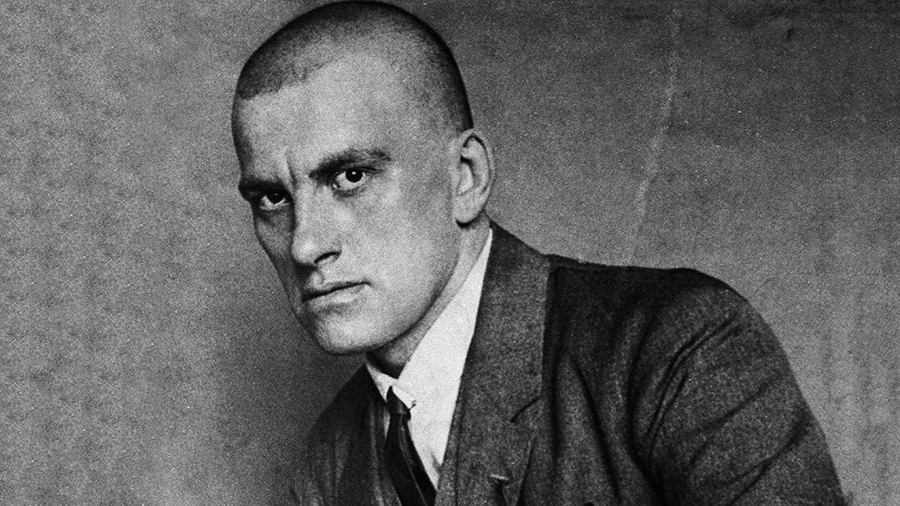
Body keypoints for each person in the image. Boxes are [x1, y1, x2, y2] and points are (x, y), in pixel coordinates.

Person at [230, 2, 846, 504]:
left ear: (466, 177)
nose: (305, 244)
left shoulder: (672, 345)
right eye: (272, 198)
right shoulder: (329, 464)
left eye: (351, 177)